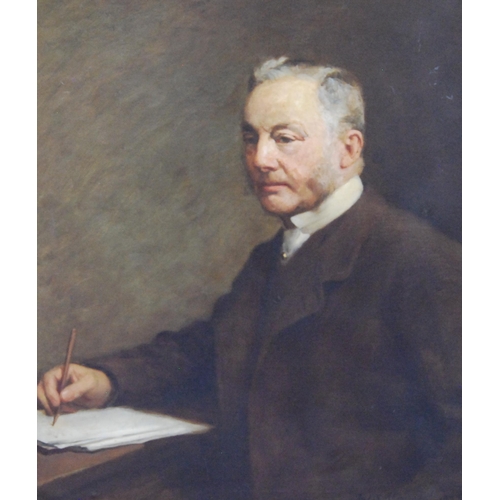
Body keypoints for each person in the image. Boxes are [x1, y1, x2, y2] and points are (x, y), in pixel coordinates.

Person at [38, 57, 461, 499]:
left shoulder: (422, 263)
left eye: (285, 139)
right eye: (250, 137)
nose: (260, 159)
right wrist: (107, 380)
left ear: (348, 150)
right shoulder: (274, 256)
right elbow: (211, 348)